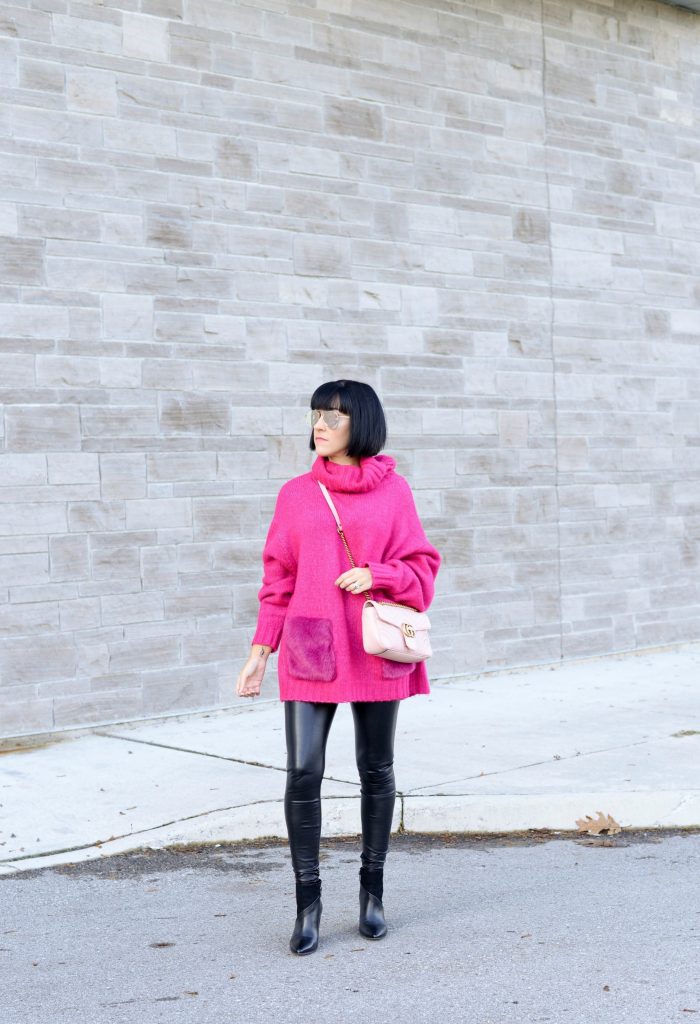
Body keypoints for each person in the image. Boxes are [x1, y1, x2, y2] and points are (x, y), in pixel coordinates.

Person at [235, 379, 441, 956]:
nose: (319, 425)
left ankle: (371, 895)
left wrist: (378, 574)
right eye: (315, 415)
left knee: (376, 768)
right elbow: (277, 580)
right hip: (309, 646)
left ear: (362, 424)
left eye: (333, 416)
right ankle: (308, 904)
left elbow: (422, 565)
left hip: (375, 649)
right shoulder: (296, 494)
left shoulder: (394, 491)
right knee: (303, 770)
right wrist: (259, 652)